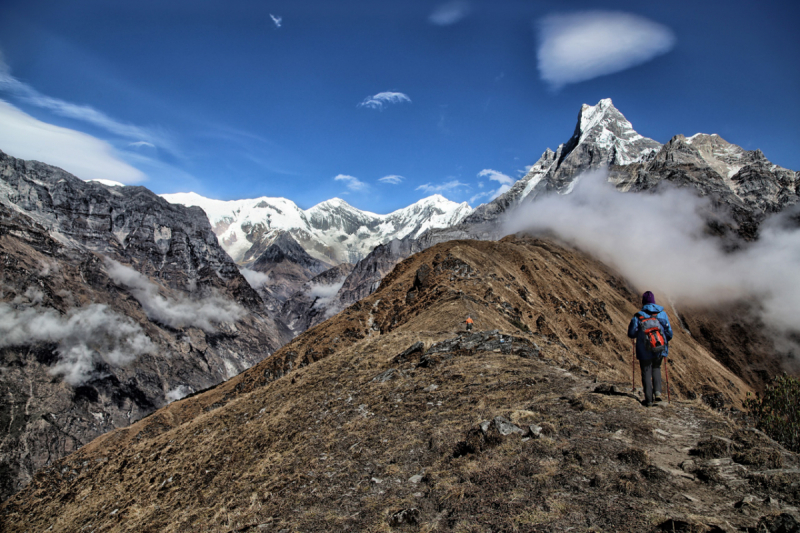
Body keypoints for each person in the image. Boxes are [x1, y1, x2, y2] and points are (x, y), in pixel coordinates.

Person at [627, 291, 673, 407]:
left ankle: (648, 400)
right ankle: (658, 394)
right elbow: (669, 333)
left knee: (646, 371)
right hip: (659, 348)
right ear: (654, 301)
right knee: (657, 368)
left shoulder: (638, 316)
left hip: (644, 350)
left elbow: (631, 333)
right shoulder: (662, 315)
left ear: (643, 302)